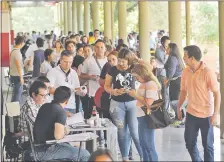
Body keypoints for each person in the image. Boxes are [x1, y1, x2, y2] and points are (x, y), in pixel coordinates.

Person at [177, 45, 221, 161]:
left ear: (192, 58)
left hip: (207, 115)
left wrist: (215, 114)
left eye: (185, 56)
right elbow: (183, 91)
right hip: (191, 113)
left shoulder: (207, 72)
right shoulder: (186, 72)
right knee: (189, 143)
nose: (183, 58)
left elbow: (217, 94)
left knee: (208, 146)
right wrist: (178, 107)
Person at [104, 48, 143, 161]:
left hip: (133, 103)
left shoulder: (134, 68)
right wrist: (113, 91)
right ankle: (125, 158)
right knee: (121, 132)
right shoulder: (112, 70)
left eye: (123, 61)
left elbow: (148, 69)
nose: (120, 63)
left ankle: (143, 156)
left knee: (135, 131)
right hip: (117, 105)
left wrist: (136, 58)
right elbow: (106, 86)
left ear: (129, 60)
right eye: (119, 60)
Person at [32, 86, 90, 161]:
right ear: (67, 101)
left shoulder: (44, 106)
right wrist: (65, 131)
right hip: (46, 151)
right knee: (85, 154)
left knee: (74, 146)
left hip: (37, 148)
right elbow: (58, 136)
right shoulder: (60, 112)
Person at [129, 63, 160, 161]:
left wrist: (135, 95)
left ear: (142, 74)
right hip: (142, 117)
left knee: (148, 145)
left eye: (137, 77)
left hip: (147, 117)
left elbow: (149, 102)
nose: (136, 79)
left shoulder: (150, 84)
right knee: (143, 145)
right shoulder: (144, 84)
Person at [47, 50, 86, 115]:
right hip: (58, 106)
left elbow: (77, 89)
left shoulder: (74, 73)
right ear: (60, 60)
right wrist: (65, 92)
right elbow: (49, 89)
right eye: (65, 62)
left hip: (72, 106)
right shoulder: (53, 71)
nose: (68, 64)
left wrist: (81, 92)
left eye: (70, 62)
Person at [9, 36, 25, 104]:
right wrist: (21, 78)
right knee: (17, 95)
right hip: (17, 76)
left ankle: (12, 111)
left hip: (13, 74)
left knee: (16, 94)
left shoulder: (13, 50)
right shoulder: (17, 53)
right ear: (21, 43)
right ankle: (14, 112)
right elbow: (18, 66)